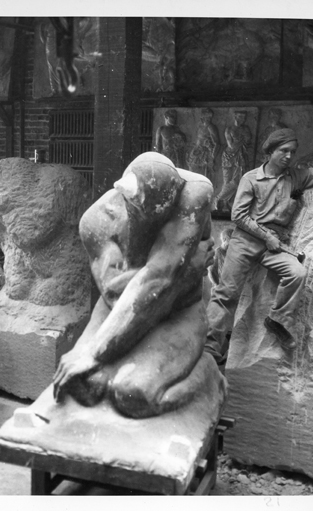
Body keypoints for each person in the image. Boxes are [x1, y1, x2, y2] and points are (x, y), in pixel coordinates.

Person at [52, 152, 216, 419]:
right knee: (84, 387)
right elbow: (115, 293)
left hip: (177, 313)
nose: (159, 220)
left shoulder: (195, 192)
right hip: (117, 311)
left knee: (132, 394)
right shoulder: (98, 220)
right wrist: (186, 268)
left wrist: (164, 275)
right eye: (149, 212)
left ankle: (208, 379)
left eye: (166, 212)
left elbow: (160, 278)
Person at [205, 128, 313, 365]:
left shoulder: (297, 176)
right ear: (270, 151)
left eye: (293, 152)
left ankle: (277, 320)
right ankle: (210, 349)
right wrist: (266, 237)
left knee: (297, 272)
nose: (289, 156)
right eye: (284, 151)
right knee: (226, 294)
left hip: (275, 244)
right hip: (246, 240)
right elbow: (238, 215)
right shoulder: (251, 178)